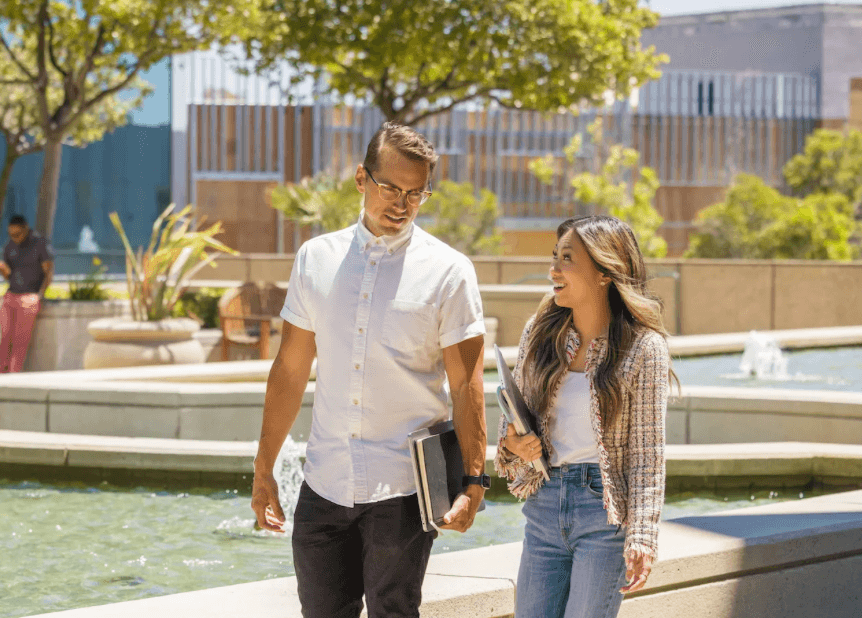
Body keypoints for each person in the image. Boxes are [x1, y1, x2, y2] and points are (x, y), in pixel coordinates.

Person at [251, 122, 489, 618]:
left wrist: (473, 483)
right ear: (362, 178)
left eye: (416, 193)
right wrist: (264, 466)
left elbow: (467, 384)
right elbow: (290, 371)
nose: (402, 204)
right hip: (324, 483)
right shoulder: (315, 258)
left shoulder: (449, 271)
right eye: (390, 188)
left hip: (402, 489)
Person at [496, 215, 673, 618]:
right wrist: (514, 444)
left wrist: (643, 536)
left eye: (567, 258)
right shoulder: (540, 334)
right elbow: (507, 430)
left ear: (603, 272)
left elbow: (648, 456)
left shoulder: (644, 349)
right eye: (554, 256)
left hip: (604, 517)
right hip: (543, 506)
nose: (553, 270)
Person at [0, 214, 53, 373]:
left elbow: (48, 272)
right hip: (11, 294)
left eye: (17, 234)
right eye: (11, 235)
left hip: (30, 296)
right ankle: (1, 372)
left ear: (26, 229)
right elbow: (11, 276)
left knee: (21, 339)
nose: (14, 238)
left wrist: (40, 295)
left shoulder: (40, 244)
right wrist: (3, 272)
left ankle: (14, 373)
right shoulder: (10, 246)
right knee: (5, 337)